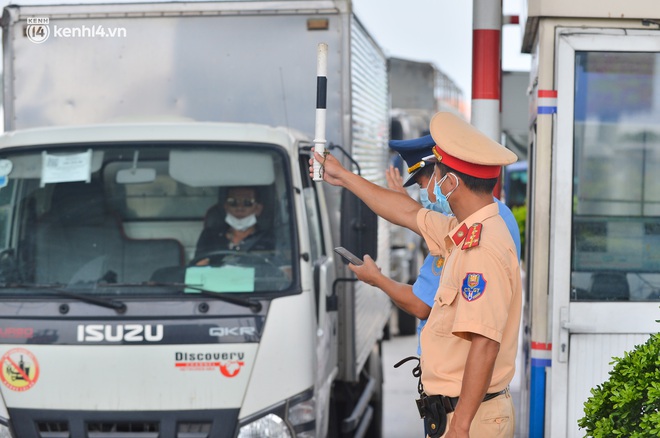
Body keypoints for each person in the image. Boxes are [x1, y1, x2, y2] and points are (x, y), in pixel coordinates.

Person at [311, 112, 522, 438]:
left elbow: (485, 342)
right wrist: (343, 176)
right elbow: (408, 213)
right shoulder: (464, 230)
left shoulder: (482, 248)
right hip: (457, 412)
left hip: (471, 419)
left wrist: (461, 426)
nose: (432, 186)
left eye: (435, 174)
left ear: (451, 182)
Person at [350, 135, 521, 358]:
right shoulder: (496, 216)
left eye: (423, 185)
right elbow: (412, 215)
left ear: (446, 181)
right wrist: (343, 176)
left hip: (455, 383)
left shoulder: (472, 231)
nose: (426, 195)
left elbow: (422, 305)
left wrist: (377, 279)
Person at [195, 186, 274, 262]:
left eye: (247, 202)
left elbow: (284, 271)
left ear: (258, 209)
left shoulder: (271, 239)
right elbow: (198, 270)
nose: (239, 208)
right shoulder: (209, 237)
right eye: (233, 202)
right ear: (226, 207)